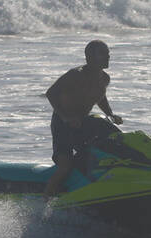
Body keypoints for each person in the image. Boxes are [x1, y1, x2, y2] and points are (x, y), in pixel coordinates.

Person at [43, 40, 123, 197]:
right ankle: (46, 199)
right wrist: (66, 117)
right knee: (65, 167)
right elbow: (51, 93)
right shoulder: (75, 75)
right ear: (89, 57)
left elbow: (100, 97)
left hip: (83, 123)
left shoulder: (104, 79)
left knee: (102, 156)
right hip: (63, 124)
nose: (107, 57)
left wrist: (110, 114)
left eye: (108, 54)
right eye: (103, 54)